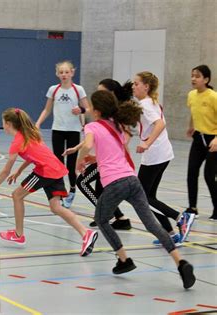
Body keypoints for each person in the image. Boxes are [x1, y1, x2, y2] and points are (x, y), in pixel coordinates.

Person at [76, 90, 195, 289]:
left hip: (114, 183)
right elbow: (114, 151)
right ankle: (180, 262)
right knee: (152, 225)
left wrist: (79, 161)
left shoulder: (92, 126)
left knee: (101, 219)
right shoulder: (118, 126)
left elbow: (87, 144)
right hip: (132, 179)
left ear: (96, 111)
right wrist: (95, 159)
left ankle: (124, 259)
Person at [0, 108, 98, 256]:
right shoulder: (31, 134)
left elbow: (6, 170)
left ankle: (18, 235)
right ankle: (86, 233)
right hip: (55, 168)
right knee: (56, 208)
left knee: (17, 195)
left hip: (46, 171)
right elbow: (35, 155)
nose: (3, 126)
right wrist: (19, 171)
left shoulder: (18, 141)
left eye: (3, 123)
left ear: (8, 123)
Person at [133, 71, 195, 245]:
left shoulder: (146, 105)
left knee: (141, 197)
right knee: (149, 196)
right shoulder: (150, 102)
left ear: (146, 86)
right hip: (163, 154)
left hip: (155, 155)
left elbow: (160, 124)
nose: (133, 86)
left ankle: (181, 218)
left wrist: (147, 144)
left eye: (136, 83)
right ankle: (169, 233)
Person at [63, 79, 133, 230]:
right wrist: (76, 148)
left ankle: (106, 214)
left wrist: (79, 160)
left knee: (82, 181)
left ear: (111, 93)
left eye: (102, 91)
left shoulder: (116, 113)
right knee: (101, 189)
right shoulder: (106, 113)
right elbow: (94, 132)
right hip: (104, 158)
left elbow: (123, 138)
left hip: (111, 160)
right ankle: (118, 217)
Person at [35, 61, 90, 208]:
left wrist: (81, 110)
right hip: (58, 129)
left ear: (72, 73)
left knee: (71, 164)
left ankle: (72, 190)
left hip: (73, 130)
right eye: (61, 72)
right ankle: (59, 192)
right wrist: (38, 123)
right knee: (57, 163)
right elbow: (47, 109)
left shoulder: (78, 89)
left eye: (67, 72)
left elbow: (88, 108)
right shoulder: (53, 89)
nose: (64, 75)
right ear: (57, 74)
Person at [185, 65, 217, 221]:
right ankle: (192, 207)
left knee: (209, 176)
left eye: (197, 76)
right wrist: (191, 126)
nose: (193, 79)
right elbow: (193, 111)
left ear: (206, 79)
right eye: (192, 75)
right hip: (198, 138)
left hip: (214, 139)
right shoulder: (191, 95)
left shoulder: (213, 96)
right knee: (191, 172)